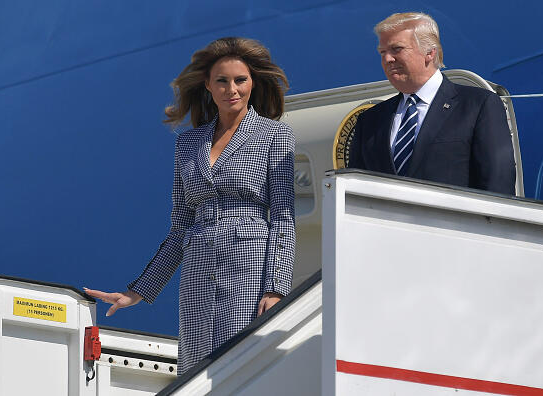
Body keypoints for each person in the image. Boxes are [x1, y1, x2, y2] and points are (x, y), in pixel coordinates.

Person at [85, 37, 295, 375]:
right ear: (208, 85)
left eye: (240, 80)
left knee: (239, 363)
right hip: (197, 266)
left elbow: (283, 218)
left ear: (253, 82)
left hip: (249, 262)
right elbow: (179, 228)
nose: (232, 89)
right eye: (222, 81)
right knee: (195, 368)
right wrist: (137, 291)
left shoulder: (274, 135)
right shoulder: (188, 142)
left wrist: (275, 288)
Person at [347, 12, 516, 195]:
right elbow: (355, 192)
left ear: (429, 52)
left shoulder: (478, 106)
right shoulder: (370, 120)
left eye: (397, 49)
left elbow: (498, 188)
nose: (387, 59)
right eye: (383, 52)